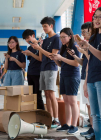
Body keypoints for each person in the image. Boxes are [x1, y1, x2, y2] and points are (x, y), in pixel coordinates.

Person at [74, 7, 101, 140]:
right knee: (95, 115)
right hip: (91, 79)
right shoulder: (94, 37)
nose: (96, 20)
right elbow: (90, 61)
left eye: (99, 17)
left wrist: (87, 47)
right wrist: (86, 82)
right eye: (95, 17)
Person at [31, 17, 62, 128]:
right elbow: (40, 58)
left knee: (51, 94)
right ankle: (50, 117)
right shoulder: (46, 40)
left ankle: (56, 119)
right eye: (43, 26)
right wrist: (37, 47)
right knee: (46, 94)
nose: (44, 28)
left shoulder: (56, 38)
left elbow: (52, 55)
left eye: (45, 26)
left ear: (51, 26)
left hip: (51, 68)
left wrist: (39, 47)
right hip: (43, 68)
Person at [49, 28, 81, 134]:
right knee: (66, 101)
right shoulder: (63, 48)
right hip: (64, 75)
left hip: (72, 76)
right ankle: (66, 124)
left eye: (64, 37)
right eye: (60, 37)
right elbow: (62, 64)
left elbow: (76, 63)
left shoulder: (74, 47)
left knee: (72, 101)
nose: (62, 39)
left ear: (70, 37)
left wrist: (61, 58)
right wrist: (56, 59)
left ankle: (74, 125)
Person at [68, 22, 95, 139]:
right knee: (89, 106)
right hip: (84, 76)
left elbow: (92, 61)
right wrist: (75, 56)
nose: (83, 34)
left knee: (94, 106)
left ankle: (95, 130)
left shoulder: (93, 45)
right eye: (82, 31)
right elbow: (83, 63)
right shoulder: (87, 45)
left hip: (92, 77)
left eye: (85, 31)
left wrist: (85, 50)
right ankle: (92, 128)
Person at [22, 29, 45, 110]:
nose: (27, 40)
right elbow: (31, 61)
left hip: (38, 73)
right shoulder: (29, 48)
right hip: (30, 73)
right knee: (31, 95)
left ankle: (42, 115)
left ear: (33, 36)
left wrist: (31, 53)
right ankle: (34, 114)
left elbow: (40, 59)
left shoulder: (40, 44)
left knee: (38, 95)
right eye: (25, 39)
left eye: (28, 38)